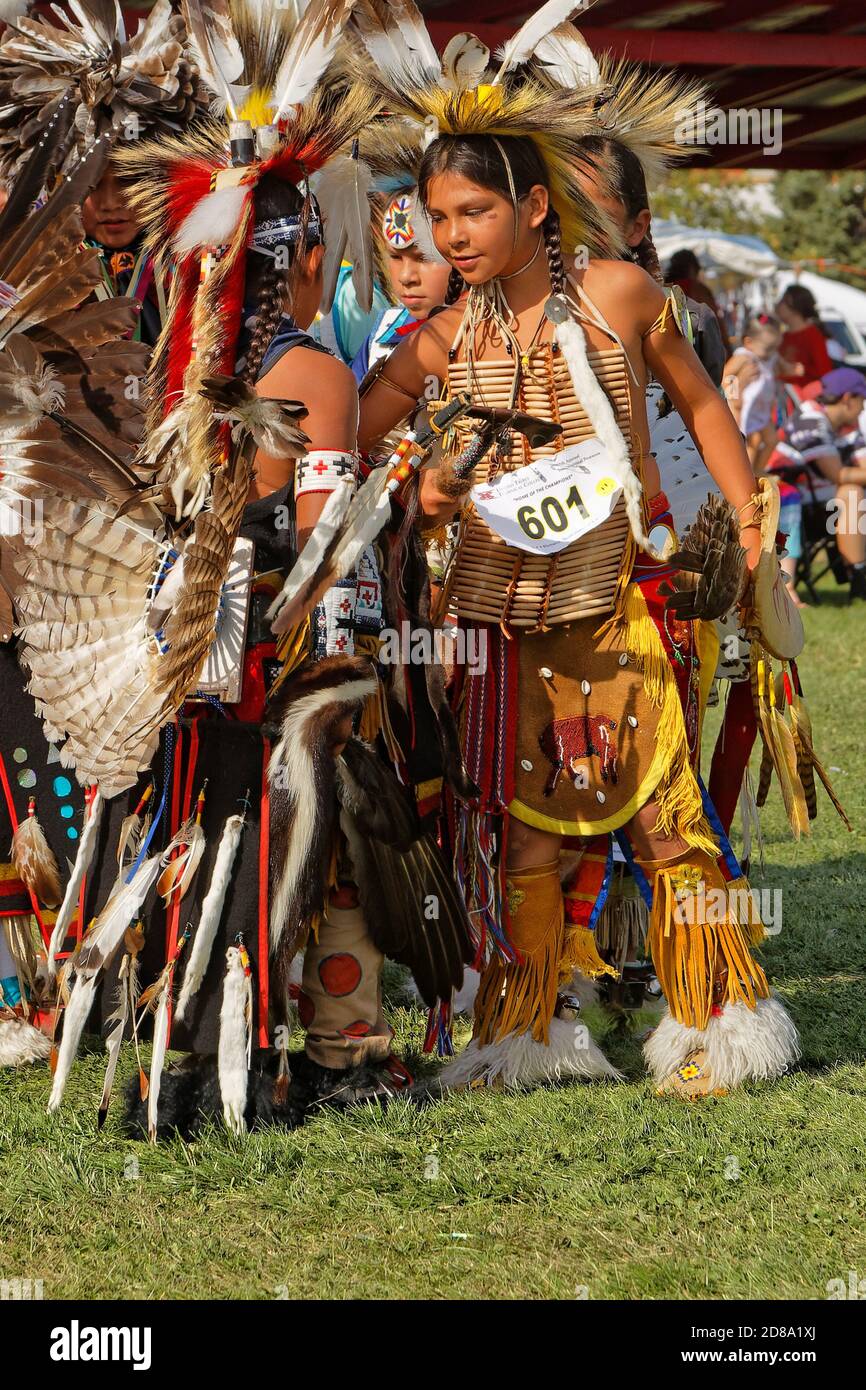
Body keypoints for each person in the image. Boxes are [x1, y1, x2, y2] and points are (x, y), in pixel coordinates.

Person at [4, 0, 471, 1135]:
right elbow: (327, 549)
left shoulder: (175, 371)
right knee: (264, 842)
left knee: (180, 836)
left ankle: (169, 1048)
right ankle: (246, 1062)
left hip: (169, 643)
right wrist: (350, 658)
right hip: (261, 646)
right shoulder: (311, 372)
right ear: (305, 257)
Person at [345, 4, 800, 1098]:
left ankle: (719, 1017)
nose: (450, 236)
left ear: (534, 205)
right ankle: (532, 1027)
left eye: (473, 211)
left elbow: (699, 406)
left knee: (663, 813)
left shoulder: (614, 294)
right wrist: (433, 484)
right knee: (528, 832)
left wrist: (743, 527)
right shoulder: (442, 338)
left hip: (620, 601)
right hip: (503, 616)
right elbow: (363, 431)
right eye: (434, 217)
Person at [767, 365, 866, 601]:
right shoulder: (811, 419)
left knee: (852, 494)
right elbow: (838, 475)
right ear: (848, 399)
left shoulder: (845, 425)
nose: (863, 409)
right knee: (851, 494)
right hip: (793, 502)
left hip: (821, 500)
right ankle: (859, 576)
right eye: (862, 401)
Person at [351, 189, 451, 382]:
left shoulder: (489, 334)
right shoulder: (382, 332)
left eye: (423, 257)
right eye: (396, 257)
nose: (406, 277)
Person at [724, 316, 784, 477]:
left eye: (775, 348)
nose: (772, 353)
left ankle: (757, 471)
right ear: (748, 343)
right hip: (742, 409)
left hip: (759, 409)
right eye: (768, 348)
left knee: (772, 440)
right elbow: (725, 378)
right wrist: (736, 397)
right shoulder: (743, 357)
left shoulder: (767, 357)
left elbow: (781, 367)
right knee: (752, 441)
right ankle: (746, 475)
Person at [666, 248, 731, 357]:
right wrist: (728, 347)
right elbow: (714, 319)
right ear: (692, 268)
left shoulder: (663, 287)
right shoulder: (698, 289)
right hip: (696, 350)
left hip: (668, 348)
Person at [776, 285, 834, 396]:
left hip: (803, 403)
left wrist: (803, 370)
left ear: (794, 305)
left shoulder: (813, 335)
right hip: (781, 399)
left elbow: (826, 374)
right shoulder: (783, 336)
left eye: (783, 300)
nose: (778, 304)